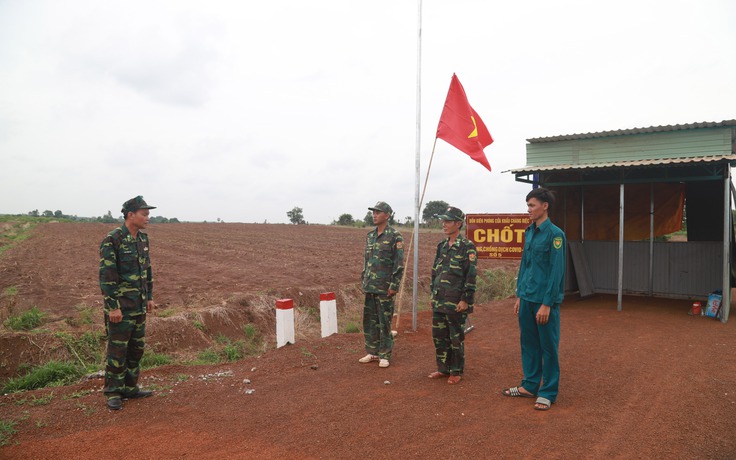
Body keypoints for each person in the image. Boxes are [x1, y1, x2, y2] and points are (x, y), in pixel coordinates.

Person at [502, 187, 566, 411]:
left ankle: (547, 391)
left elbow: (556, 272)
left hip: (543, 301)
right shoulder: (529, 232)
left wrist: (547, 303)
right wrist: (520, 294)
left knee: (548, 347)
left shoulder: (555, 235)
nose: (528, 209)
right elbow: (525, 264)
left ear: (545, 206)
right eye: (527, 205)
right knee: (528, 344)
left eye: (532, 205)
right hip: (527, 298)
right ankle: (529, 385)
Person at [99, 195, 157, 410]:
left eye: (148, 214)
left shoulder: (143, 239)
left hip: (139, 306)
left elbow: (147, 270)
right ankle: (113, 391)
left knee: (136, 349)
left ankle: (130, 388)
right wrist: (113, 306)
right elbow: (107, 276)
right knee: (117, 350)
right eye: (144, 214)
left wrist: (149, 297)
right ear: (130, 215)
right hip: (120, 308)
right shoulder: (113, 239)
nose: (148, 218)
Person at [427, 206, 477, 385]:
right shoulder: (441, 246)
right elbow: (435, 272)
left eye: (448, 221)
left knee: (455, 337)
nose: (444, 224)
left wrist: (465, 299)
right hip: (440, 299)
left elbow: (470, 275)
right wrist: (433, 296)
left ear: (458, 223)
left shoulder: (467, 247)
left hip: (456, 301)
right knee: (439, 336)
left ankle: (456, 370)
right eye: (443, 221)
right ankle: (443, 368)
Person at [359, 201, 404, 368]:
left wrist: (394, 285)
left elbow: (398, 264)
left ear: (387, 215)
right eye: (373, 212)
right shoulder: (370, 236)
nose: (374, 215)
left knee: (384, 321)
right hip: (370, 285)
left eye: (378, 212)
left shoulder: (395, 236)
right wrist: (364, 280)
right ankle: (372, 352)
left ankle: (384, 354)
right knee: (370, 320)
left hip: (385, 287)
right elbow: (366, 261)